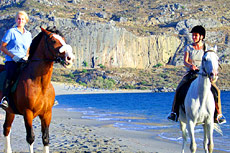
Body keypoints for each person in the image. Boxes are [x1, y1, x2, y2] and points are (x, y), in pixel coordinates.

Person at [167, 25, 226, 124]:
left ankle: (218, 114)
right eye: (193, 35)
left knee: (216, 90)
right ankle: (174, 112)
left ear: (201, 37)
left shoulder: (206, 48)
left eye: (196, 35)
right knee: (179, 88)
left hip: (204, 74)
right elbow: (185, 61)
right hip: (192, 73)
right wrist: (191, 66)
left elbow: (211, 59)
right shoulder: (189, 47)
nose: (194, 37)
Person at [0, 11, 32, 109]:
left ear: (25, 21)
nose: (20, 21)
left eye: (22, 19)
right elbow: (3, 47)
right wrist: (13, 56)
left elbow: (28, 49)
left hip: (24, 60)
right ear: (16, 20)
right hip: (12, 61)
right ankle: (5, 98)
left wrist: (27, 56)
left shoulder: (28, 34)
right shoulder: (11, 32)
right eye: (18, 19)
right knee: (10, 75)